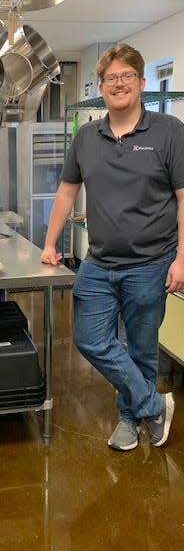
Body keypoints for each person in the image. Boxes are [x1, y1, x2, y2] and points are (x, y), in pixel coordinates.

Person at [41, 43, 184, 451]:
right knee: (89, 338)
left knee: (141, 346)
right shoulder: (87, 136)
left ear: (141, 82)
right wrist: (50, 243)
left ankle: (129, 419)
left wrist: (182, 259)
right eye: (110, 78)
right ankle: (153, 404)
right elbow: (67, 193)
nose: (118, 84)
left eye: (127, 76)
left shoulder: (169, 132)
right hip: (100, 261)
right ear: (100, 87)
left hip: (151, 262)